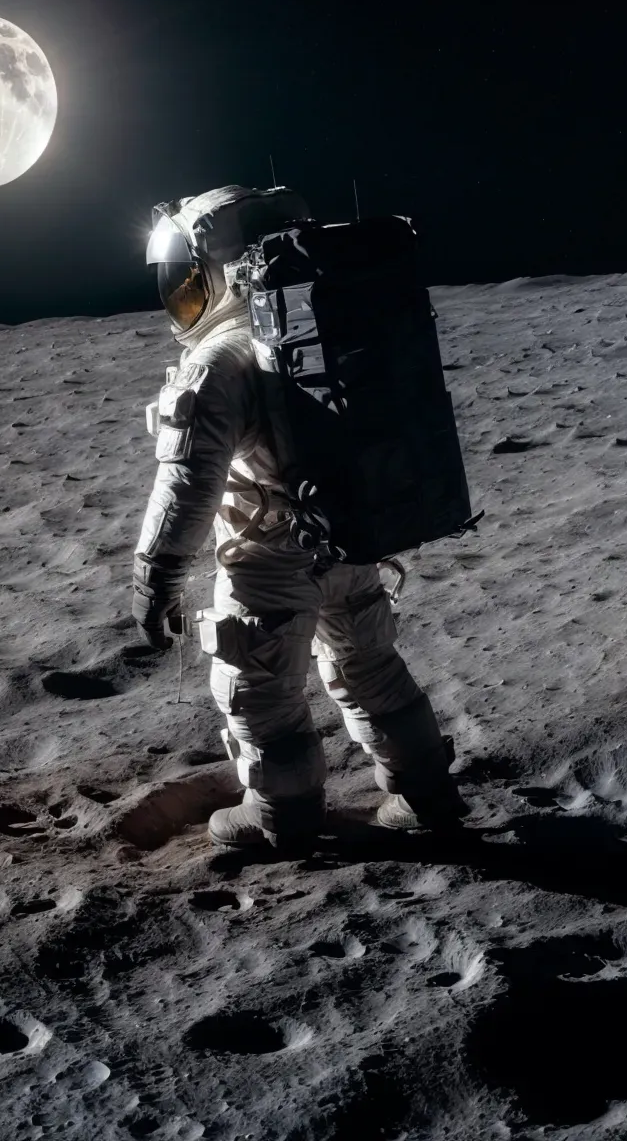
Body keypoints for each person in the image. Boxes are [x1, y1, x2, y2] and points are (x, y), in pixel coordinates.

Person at [130, 184, 468, 852]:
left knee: (257, 686)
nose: (181, 293)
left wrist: (157, 572)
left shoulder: (218, 361)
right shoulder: (312, 332)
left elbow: (189, 481)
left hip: (267, 560)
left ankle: (282, 815)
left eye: (186, 278)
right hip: (348, 535)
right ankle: (424, 790)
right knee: (369, 666)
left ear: (215, 267)